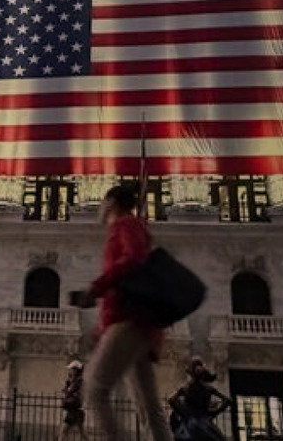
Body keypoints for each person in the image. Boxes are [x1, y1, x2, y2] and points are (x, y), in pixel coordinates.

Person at [76, 183, 170, 441]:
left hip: (130, 321)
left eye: (103, 201)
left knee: (94, 388)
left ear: (113, 202)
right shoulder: (136, 227)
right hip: (140, 325)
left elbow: (131, 261)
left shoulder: (125, 225)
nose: (100, 207)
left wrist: (96, 288)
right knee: (149, 406)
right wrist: (100, 329)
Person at [168, 358, 230, 441]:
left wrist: (183, 412)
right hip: (205, 422)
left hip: (190, 423)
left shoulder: (186, 389)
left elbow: (171, 401)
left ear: (191, 374)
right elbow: (228, 401)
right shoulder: (208, 389)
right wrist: (213, 413)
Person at [58, 360, 89, 441]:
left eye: (71, 369)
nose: (69, 371)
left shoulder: (78, 381)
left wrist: (67, 391)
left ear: (75, 370)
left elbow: (70, 393)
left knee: (64, 432)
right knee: (82, 433)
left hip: (74, 410)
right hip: (77, 410)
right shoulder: (74, 381)